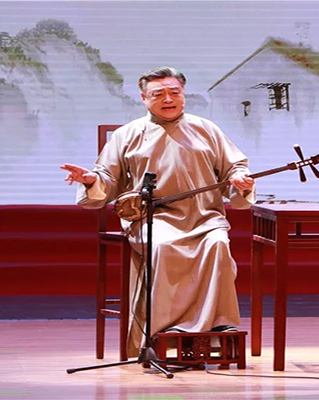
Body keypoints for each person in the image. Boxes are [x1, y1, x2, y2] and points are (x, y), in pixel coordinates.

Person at [61, 66, 256, 357]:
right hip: (152, 218)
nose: (168, 99)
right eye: (158, 94)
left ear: (183, 95)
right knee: (164, 247)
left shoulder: (207, 129)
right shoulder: (127, 134)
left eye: (174, 92)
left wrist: (240, 179)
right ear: (143, 98)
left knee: (217, 245)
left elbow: (234, 167)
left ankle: (215, 326)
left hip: (204, 216)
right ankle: (162, 334)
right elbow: (107, 177)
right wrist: (90, 180)